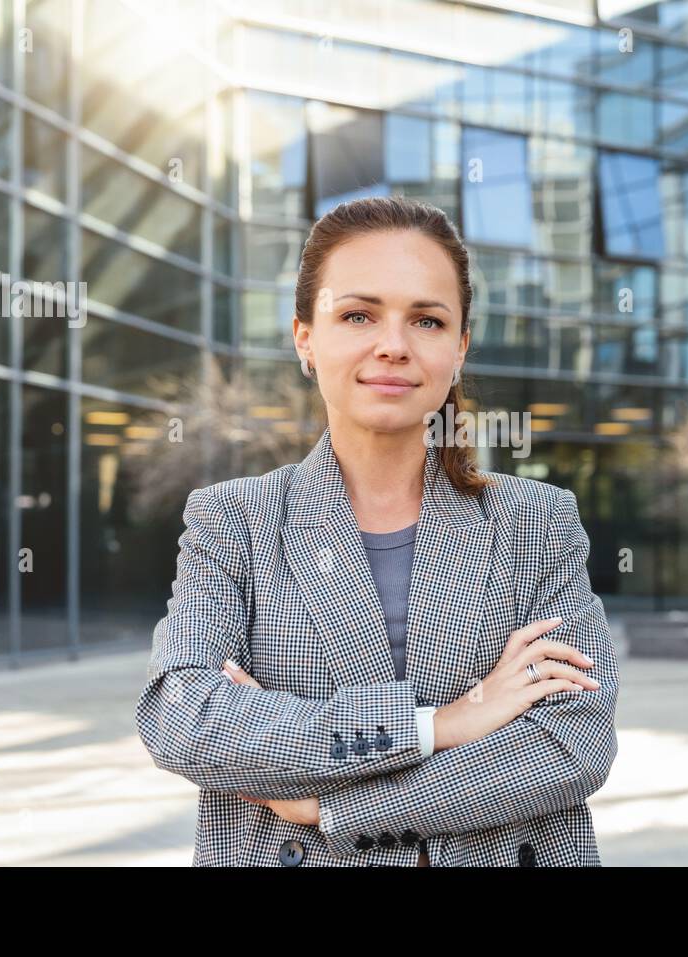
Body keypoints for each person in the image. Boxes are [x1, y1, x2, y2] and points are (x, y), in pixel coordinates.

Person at [135, 195, 619, 866]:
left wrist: (333, 808)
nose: (393, 344)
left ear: (459, 347)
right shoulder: (233, 522)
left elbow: (570, 745)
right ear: (305, 335)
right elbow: (186, 719)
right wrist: (440, 724)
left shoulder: (537, 523)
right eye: (358, 314)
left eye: (426, 319)